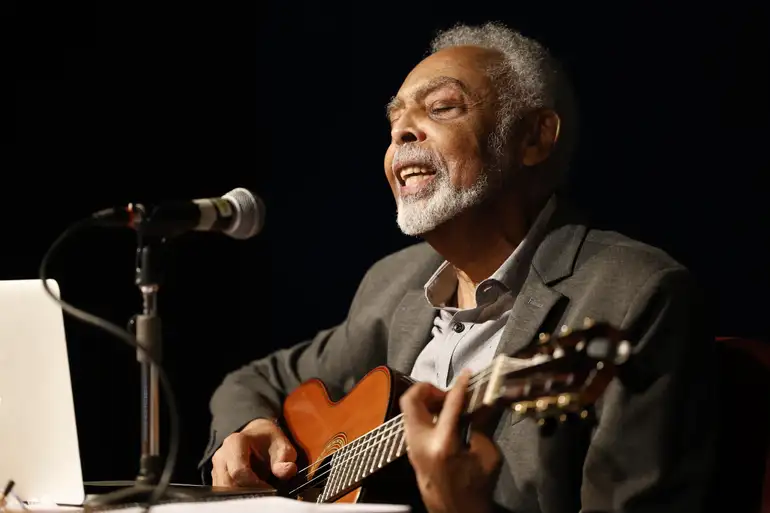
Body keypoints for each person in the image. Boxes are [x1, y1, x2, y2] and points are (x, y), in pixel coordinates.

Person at [202, 22, 716, 513]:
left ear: (534, 138)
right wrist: (248, 429)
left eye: (442, 107)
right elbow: (252, 381)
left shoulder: (634, 295)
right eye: (394, 121)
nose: (402, 131)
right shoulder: (393, 283)